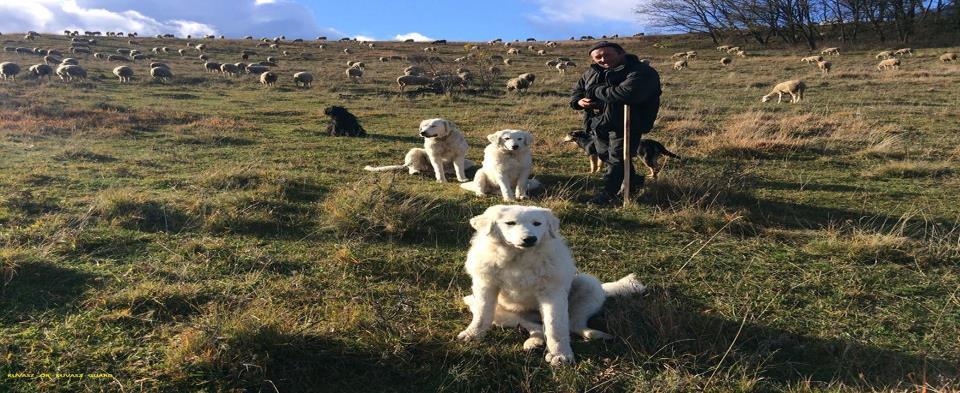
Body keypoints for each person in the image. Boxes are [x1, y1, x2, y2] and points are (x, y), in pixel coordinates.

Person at [570, 41, 662, 205]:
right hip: (598, 123)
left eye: (608, 55)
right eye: (598, 57)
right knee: (606, 156)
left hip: (627, 122)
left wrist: (596, 91)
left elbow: (628, 93)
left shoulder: (641, 71)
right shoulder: (591, 72)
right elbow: (578, 91)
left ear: (621, 53)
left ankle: (609, 194)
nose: (603, 59)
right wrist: (578, 102)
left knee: (618, 158)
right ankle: (633, 182)